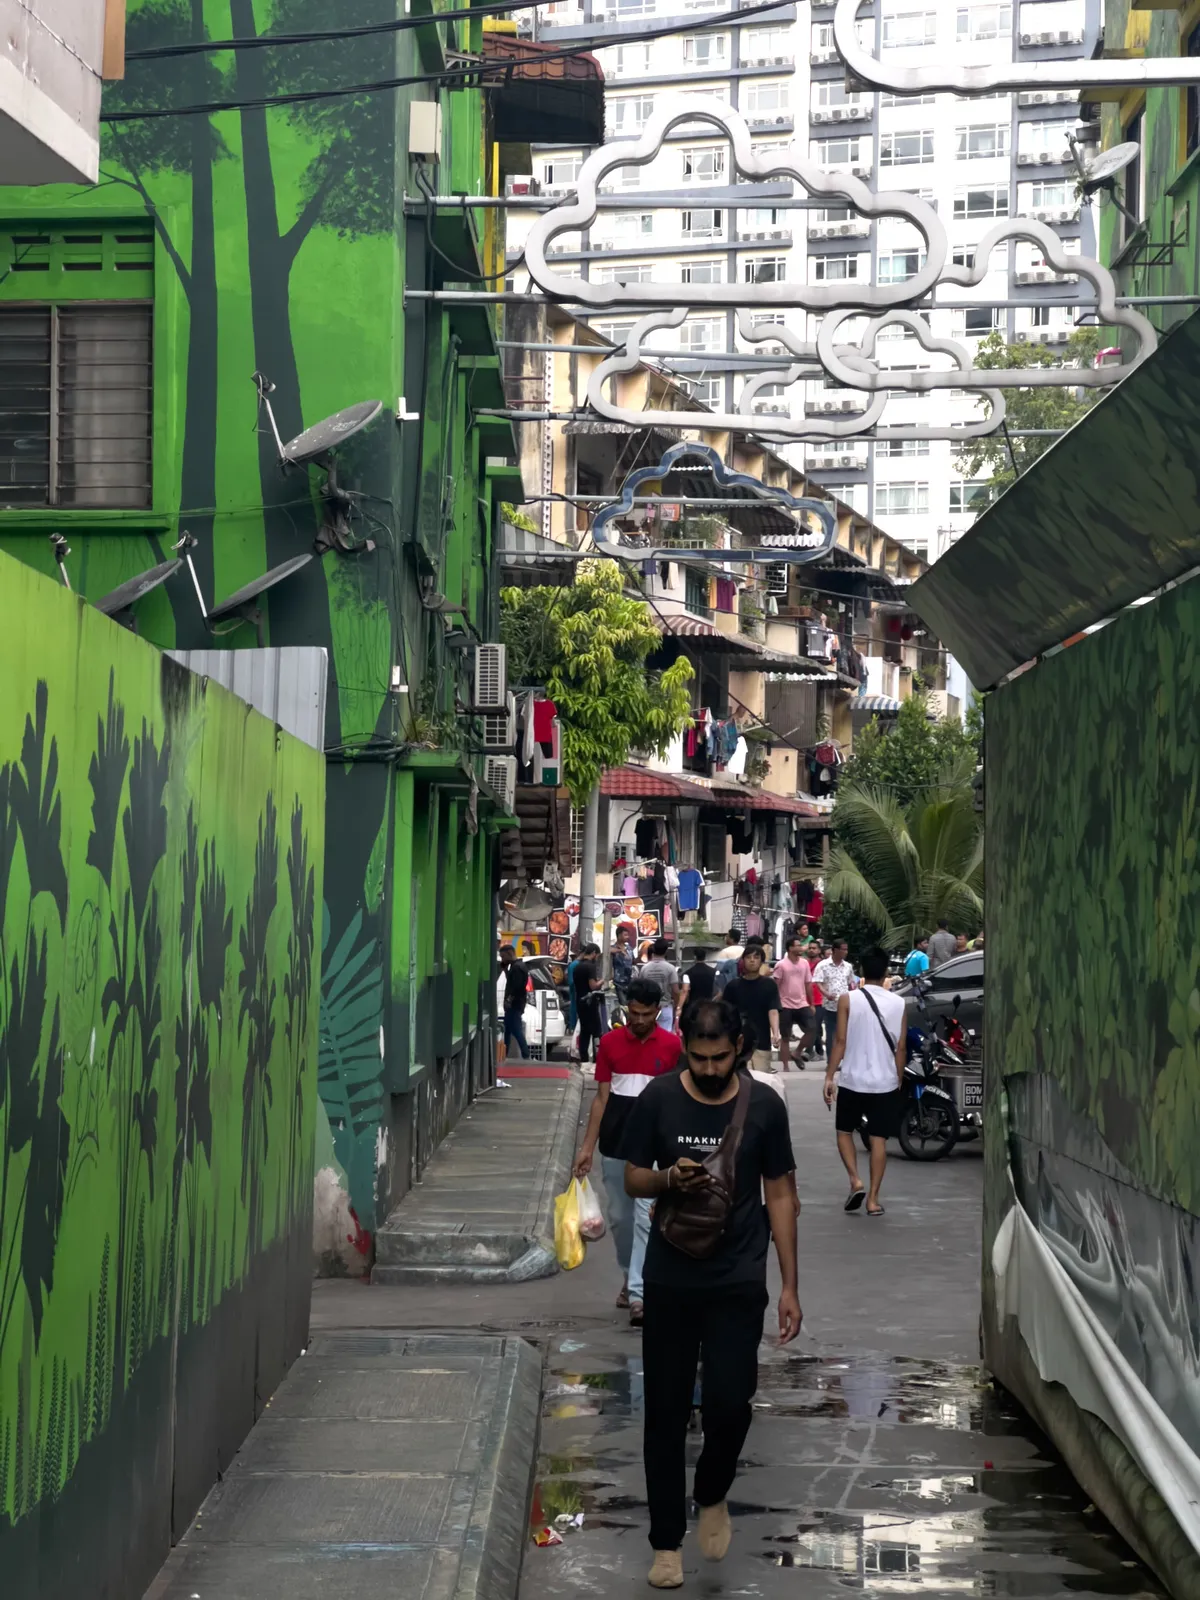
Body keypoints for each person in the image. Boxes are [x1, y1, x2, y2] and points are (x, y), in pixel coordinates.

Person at [623, 998, 801, 1588]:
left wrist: (790, 1285)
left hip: (738, 1278)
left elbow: (780, 1195)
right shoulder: (658, 1099)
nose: (706, 1068)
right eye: (697, 1058)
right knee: (666, 1414)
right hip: (671, 1277)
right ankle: (666, 1543)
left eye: (718, 1058)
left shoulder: (766, 1108)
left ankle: (713, 1490)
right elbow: (632, 1177)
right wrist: (669, 1177)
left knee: (730, 1401)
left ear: (739, 1051)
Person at [573, 978, 681, 1325]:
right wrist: (587, 1148)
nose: (638, 1020)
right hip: (617, 1140)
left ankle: (639, 1293)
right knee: (620, 1218)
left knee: (643, 1217)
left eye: (645, 1014)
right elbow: (601, 1099)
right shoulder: (609, 1044)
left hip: (654, 1146)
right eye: (633, 1013)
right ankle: (629, 1275)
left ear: (658, 1012)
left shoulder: (672, 1046)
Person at [823, 945, 906, 1217]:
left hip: (852, 1080)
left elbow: (840, 1041)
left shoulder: (848, 999)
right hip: (885, 1082)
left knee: (844, 1131)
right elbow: (901, 1048)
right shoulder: (899, 1003)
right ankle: (873, 1199)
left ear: (860, 971)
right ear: (885, 972)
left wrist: (829, 1075)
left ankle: (855, 1180)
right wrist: (899, 1076)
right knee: (878, 1139)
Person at [721, 941, 781, 1072]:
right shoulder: (733, 986)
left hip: (762, 1041)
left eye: (756, 957)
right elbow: (725, 1013)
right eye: (748, 957)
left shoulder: (769, 985)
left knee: (761, 1080)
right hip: (738, 1043)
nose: (752, 961)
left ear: (762, 961)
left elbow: (773, 1010)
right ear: (742, 961)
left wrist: (776, 1033)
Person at [774, 934, 815, 1072]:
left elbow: (808, 983)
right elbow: (776, 985)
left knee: (812, 1029)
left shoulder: (804, 963)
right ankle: (786, 1067)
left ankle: (797, 1052)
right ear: (790, 948)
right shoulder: (781, 965)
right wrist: (775, 1004)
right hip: (785, 1004)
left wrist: (812, 1003)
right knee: (785, 1037)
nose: (800, 947)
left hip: (802, 1003)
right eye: (797, 945)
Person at [812, 939, 857, 1060]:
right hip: (829, 1004)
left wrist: (853, 993)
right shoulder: (823, 965)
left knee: (844, 1034)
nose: (845, 952)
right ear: (835, 950)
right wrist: (826, 994)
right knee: (831, 1033)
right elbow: (818, 982)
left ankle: (844, 1059)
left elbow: (851, 982)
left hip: (846, 1004)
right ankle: (831, 1060)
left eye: (846, 949)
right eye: (843, 949)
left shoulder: (848, 966)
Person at [641, 937, 682, 1033]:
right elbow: (675, 991)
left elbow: (641, 990)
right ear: (666, 951)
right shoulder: (670, 968)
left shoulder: (644, 968)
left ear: (654, 949)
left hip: (648, 1008)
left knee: (649, 1036)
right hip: (665, 1007)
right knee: (665, 1037)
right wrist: (677, 1007)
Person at [574, 943, 606, 1063]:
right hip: (590, 1002)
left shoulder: (578, 966)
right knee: (597, 1031)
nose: (596, 958)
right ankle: (598, 1059)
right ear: (593, 953)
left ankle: (584, 1059)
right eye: (596, 955)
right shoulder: (590, 967)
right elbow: (593, 986)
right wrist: (602, 981)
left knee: (584, 1031)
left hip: (580, 1002)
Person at [499, 943, 528, 1059]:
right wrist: (506, 970)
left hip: (514, 1004)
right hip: (514, 1004)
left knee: (516, 1030)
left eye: (503, 957)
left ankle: (526, 1055)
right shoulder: (516, 967)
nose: (503, 959)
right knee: (508, 1029)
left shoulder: (517, 968)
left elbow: (517, 987)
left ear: (510, 954)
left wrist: (509, 1000)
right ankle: (504, 1054)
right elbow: (512, 983)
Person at [611, 924, 636, 1006]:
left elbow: (633, 961)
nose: (627, 937)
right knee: (624, 1005)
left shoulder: (629, 948)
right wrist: (619, 951)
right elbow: (608, 950)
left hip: (630, 982)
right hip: (619, 982)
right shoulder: (613, 947)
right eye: (625, 935)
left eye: (628, 935)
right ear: (618, 936)